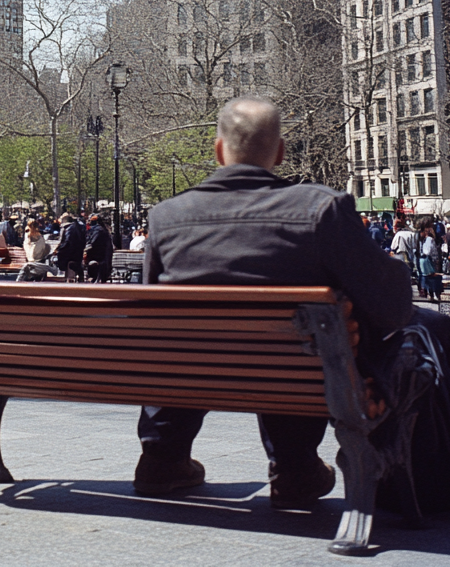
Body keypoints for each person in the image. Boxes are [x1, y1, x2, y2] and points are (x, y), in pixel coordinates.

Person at [134, 96, 420, 507]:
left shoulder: (167, 216)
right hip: (292, 376)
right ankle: (295, 466)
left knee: (182, 342)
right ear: (280, 152)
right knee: (312, 344)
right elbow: (391, 307)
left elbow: (152, 315)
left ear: (219, 151)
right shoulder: (320, 207)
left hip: (192, 371)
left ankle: (162, 458)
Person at [55, 212, 87, 280]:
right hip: (78, 252)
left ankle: (69, 277)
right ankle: (77, 275)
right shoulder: (78, 227)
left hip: (69, 253)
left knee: (60, 260)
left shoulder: (67, 229)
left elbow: (65, 242)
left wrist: (59, 250)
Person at [84, 215, 114, 282]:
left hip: (99, 257)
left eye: (91, 221)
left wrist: (85, 251)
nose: (89, 222)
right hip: (102, 258)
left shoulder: (98, 230)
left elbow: (93, 244)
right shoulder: (102, 230)